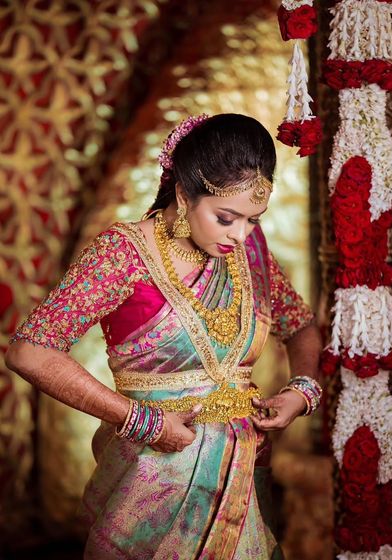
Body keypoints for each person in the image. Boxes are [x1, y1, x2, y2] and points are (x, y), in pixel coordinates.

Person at [6, 113, 322, 559]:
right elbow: (29, 352)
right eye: (226, 217)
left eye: (254, 219)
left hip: (243, 477)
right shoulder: (122, 255)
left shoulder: (248, 249)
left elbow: (301, 325)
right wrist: (143, 423)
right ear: (182, 194)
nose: (241, 234)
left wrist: (301, 390)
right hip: (150, 483)